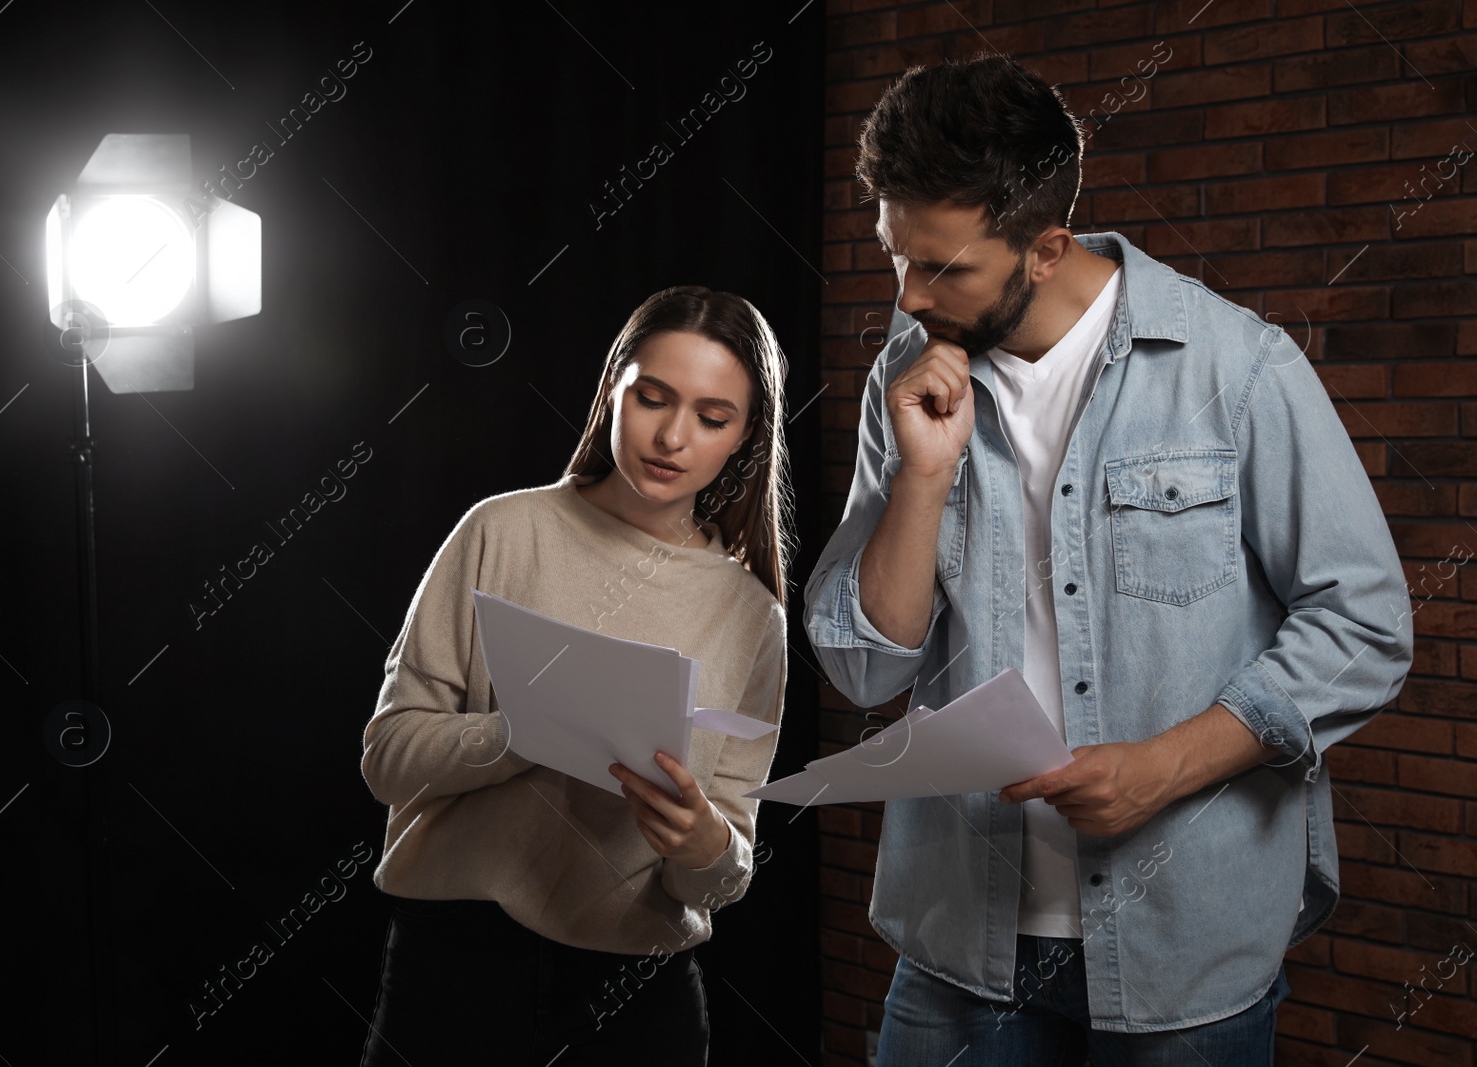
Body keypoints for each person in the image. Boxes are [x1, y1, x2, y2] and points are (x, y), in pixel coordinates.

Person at [804, 54, 1413, 1065]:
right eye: (894, 255)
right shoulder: (902, 379)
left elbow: (1365, 624)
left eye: (944, 268)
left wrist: (1162, 768)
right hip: (962, 938)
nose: (908, 297)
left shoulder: (1240, 368)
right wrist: (921, 476)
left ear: (1045, 249)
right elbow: (865, 668)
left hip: (1185, 944)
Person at [357, 285, 793, 1067]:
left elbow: (728, 869)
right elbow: (388, 758)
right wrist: (526, 729)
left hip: (632, 994)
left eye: (711, 417)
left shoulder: (751, 614)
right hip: (456, 965)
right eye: (652, 398)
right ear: (613, 393)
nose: (671, 435)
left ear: (745, 438)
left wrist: (700, 845)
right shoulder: (500, 530)